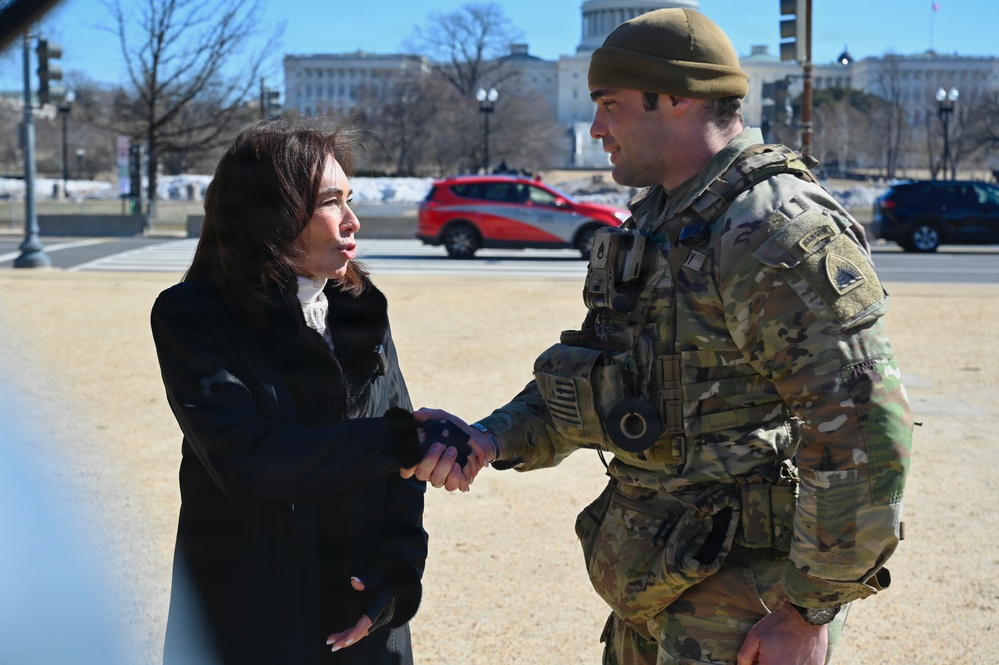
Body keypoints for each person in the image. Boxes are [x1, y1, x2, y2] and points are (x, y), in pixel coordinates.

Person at [418, 8, 913, 665]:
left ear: (678, 98)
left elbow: (862, 424)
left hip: (744, 611)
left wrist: (807, 611)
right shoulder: (662, 219)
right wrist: (490, 436)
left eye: (611, 104)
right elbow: (601, 378)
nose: (595, 128)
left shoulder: (772, 229)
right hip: (655, 581)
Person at [150, 117, 467, 665]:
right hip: (251, 621)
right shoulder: (192, 315)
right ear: (269, 214)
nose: (352, 220)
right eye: (330, 202)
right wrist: (402, 440)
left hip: (363, 624)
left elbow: (402, 478)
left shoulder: (360, 309)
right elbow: (246, 460)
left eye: (350, 198)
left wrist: (392, 583)